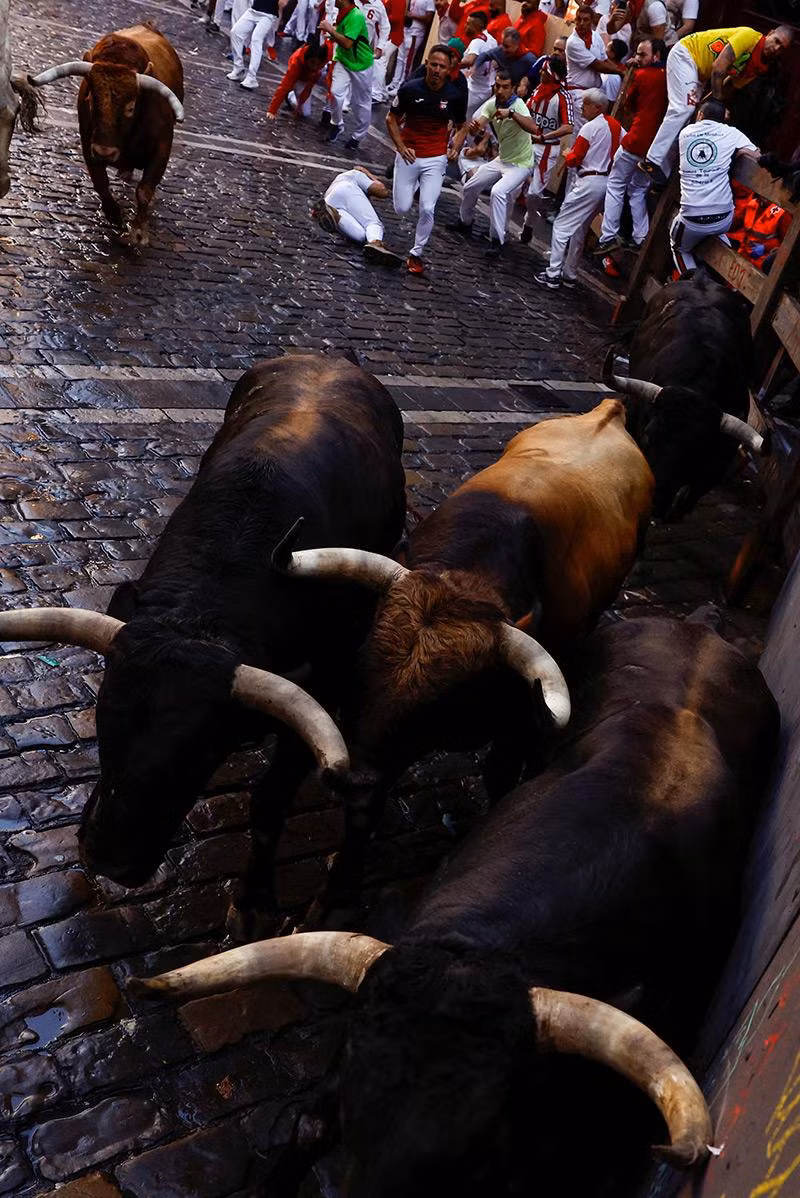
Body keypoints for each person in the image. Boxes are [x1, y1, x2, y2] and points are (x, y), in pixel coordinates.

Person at [640, 25, 793, 182]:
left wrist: (708, 107)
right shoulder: (750, 37)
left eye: (782, 48)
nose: (776, 48)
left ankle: (663, 171)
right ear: (770, 33)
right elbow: (718, 67)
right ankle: (652, 160)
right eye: (776, 41)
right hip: (686, 55)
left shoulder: (760, 66)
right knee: (683, 108)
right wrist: (717, 104)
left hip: (700, 73)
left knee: (691, 120)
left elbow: (729, 86)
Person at [387, 43, 468, 274]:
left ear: (448, 70)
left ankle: (416, 253)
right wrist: (401, 147)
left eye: (442, 66)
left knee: (428, 208)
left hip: (436, 158)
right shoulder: (410, 89)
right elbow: (391, 119)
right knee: (402, 207)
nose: (437, 70)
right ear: (427, 64)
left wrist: (456, 147)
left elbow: (463, 126)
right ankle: (412, 187)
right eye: (433, 64)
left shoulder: (454, 95)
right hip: (409, 155)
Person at [534, 88, 622, 287]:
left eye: (586, 104)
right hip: (606, 183)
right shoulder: (618, 127)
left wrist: (567, 154)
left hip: (588, 181)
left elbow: (575, 159)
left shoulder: (590, 128)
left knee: (562, 225)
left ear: (597, 107)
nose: (582, 108)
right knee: (580, 229)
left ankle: (553, 272)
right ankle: (569, 273)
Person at [669, 97, 759, 275]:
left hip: (692, 219)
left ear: (700, 115)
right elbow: (757, 154)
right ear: (723, 119)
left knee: (678, 247)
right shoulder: (731, 132)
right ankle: (721, 278)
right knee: (713, 234)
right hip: (724, 217)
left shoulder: (686, 133)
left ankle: (691, 287)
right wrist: (739, 152)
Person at [449, 69, 534, 256]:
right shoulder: (491, 104)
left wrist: (511, 114)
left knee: (498, 192)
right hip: (501, 159)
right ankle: (466, 222)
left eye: (505, 87)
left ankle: (497, 240)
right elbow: (475, 128)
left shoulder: (519, 106)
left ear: (512, 88)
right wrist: (473, 128)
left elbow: (534, 128)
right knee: (471, 185)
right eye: (497, 86)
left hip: (521, 164)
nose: (500, 90)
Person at [594, 36, 666, 253]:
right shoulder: (669, 77)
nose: (638, 58)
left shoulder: (643, 75)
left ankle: (608, 235)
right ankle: (640, 236)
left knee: (616, 184)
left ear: (657, 56)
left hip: (635, 140)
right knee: (638, 189)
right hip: (655, 147)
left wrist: (632, 71)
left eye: (643, 55)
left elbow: (628, 103)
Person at [520, 54, 573, 241]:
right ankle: (499, 229)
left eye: (544, 70)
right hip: (527, 145)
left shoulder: (563, 97)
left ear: (553, 74)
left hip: (547, 150)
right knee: (511, 186)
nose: (541, 72)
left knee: (534, 193)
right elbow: (525, 111)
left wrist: (543, 137)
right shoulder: (537, 90)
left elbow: (568, 126)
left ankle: (530, 223)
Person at [312, 166, 405, 265]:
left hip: (330, 200)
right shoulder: (357, 174)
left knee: (361, 236)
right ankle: (376, 242)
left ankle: (335, 216)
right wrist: (370, 176)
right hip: (347, 188)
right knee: (373, 223)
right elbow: (382, 192)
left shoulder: (337, 180)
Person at [320, 0, 375, 148]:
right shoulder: (343, 13)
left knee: (361, 102)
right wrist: (331, 34)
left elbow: (347, 43)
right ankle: (337, 124)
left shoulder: (356, 15)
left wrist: (330, 30)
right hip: (343, 59)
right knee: (336, 93)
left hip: (361, 64)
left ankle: (358, 136)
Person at [566, 6, 626, 134]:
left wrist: (621, 70)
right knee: (579, 134)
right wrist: (620, 72)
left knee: (591, 135)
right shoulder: (573, 42)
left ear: (592, 20)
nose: (581, 23)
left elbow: (604, 60)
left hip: (594, 94)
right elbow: (597, 65)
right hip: (578, 93)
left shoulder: (596, 36)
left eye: (585, 20)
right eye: (579, 19)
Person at [227, 0, 287, 89]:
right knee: (236, 32)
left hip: (268, 15)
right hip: (254, 10)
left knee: (256, 40)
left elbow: (283, 3)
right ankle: (238, 68)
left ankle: (252, 77)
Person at [267, 37, 332, 118]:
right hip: (301, 78)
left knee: (334, 82)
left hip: (313, 76)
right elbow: (284, 86)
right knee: (305, 113)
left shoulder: (325, 57)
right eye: (312, 63)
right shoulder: (296, 64)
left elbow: (309, 88)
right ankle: (290, 95)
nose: (315, 67)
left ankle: (330, 110)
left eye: (318, 64)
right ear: (307, 59)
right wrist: (272, 111)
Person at [387, 0, 436, 95]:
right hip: (406, 28)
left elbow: (428, 18)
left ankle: (403, 85)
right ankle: (394, 82)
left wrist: (412, 16)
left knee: (408, 60)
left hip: (416, 32)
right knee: (400, 58)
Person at [460, 10, 497, 119]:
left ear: (476, 25)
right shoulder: (492, 40)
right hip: (486, 89)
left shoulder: (477, 42)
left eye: (468, 24)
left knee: (461, 122)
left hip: (474, 90)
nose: (465, 26)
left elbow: (470, 60)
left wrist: (452, 65)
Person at [473, 27, 537, 88]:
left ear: (517, 45)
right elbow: (485, 55)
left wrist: (525, 85)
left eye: (507, 46)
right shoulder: (500, 50)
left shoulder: (530, 59)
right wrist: (474, 67)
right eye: (502, 44)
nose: (503, 49)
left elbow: (536, 80)